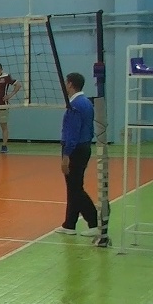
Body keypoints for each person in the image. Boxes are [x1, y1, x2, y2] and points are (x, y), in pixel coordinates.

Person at [59, 72, 99, 236]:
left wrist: (66, 155)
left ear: (70, 84)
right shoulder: (86, 102)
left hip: (76, 150)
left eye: (66, 82)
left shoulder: (75, 105)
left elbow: (72, 133)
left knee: (76, 189)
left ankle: (94, 223)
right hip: (84, 147)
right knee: (73, 187)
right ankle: (69, 224)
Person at [0, 62, 24, 153]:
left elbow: (18, 85)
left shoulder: (6, 77)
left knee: (4, 126)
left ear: (1, 70)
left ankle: (4, 146)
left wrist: (10, 95)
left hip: (3, 105)